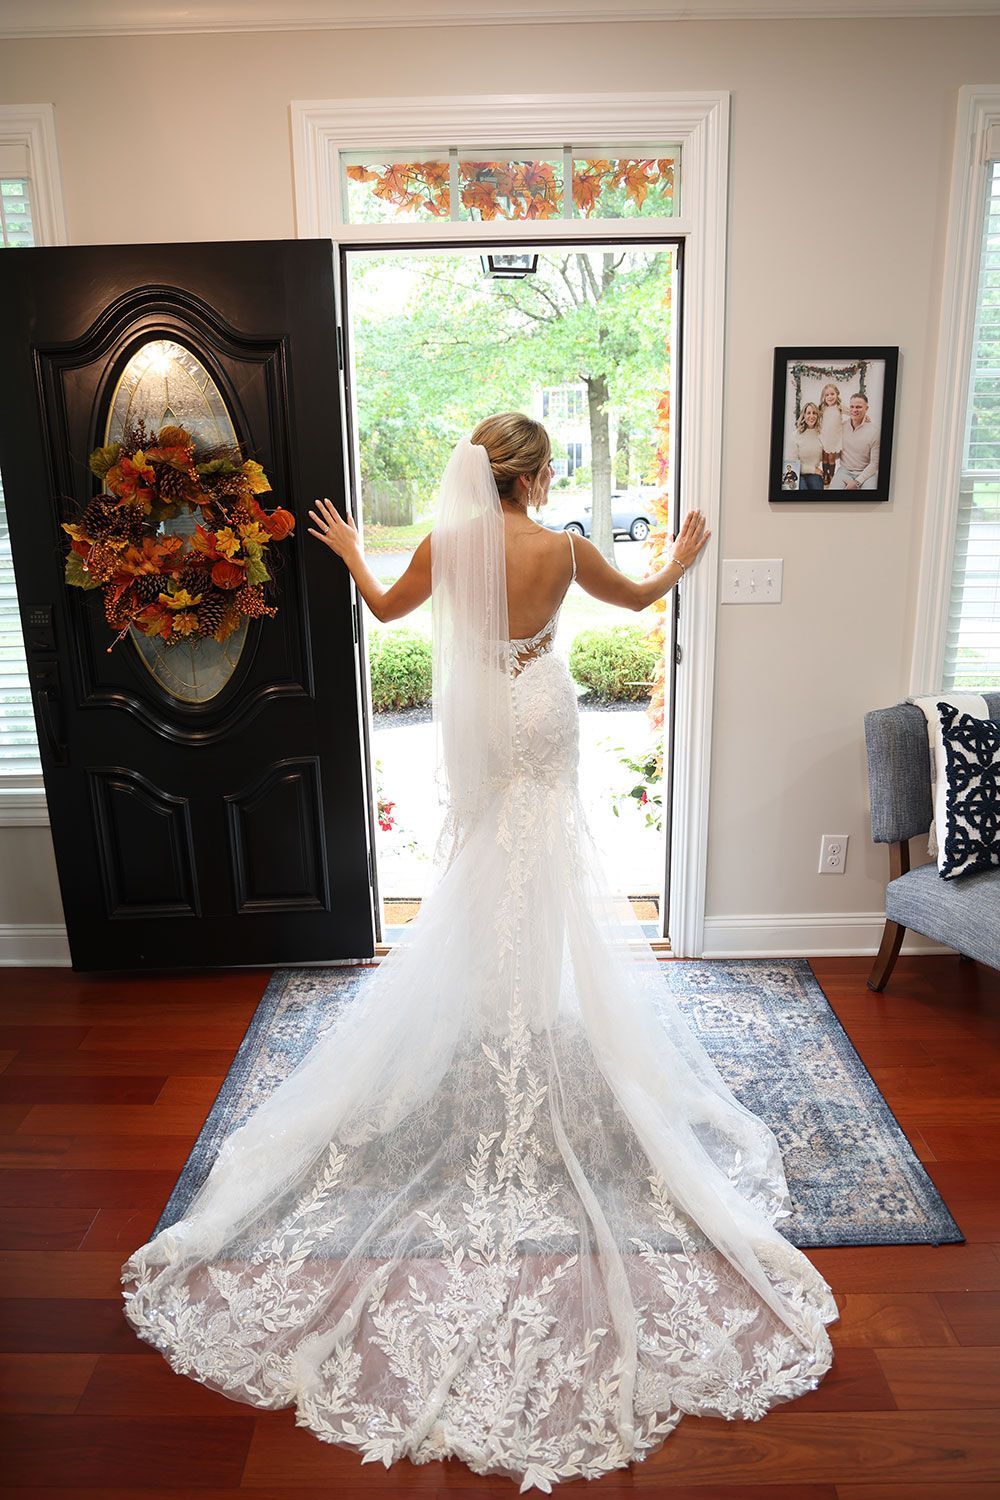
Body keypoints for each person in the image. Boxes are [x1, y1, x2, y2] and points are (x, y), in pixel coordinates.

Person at [120, 413, 836, 1491]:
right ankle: (533, 1006)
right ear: (535, 476)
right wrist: (680, 560)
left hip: (481, 720)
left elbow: (385, 609)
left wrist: (351, 548)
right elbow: (638, 600)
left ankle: (490, 1008)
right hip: (541, 712)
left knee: (486, 860)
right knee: (543, 860)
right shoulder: (563, 548)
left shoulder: (446, 545)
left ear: (474, 474)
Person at [827, 391, 880, 490]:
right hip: (845, 471)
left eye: (858, 407)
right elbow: (838, 454)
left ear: (866, 408)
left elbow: (874, 464)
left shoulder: (874, 432)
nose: (854, 410)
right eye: (852, 406)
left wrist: (857, 482)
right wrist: (831, 452)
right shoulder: (842, 427)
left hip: (866, 473)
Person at [791, 401, 825, 491]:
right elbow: (793, 464)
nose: (811, 416)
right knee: (802, 488)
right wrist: (813, 470)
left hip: (813, 474)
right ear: (804, 415)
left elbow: (829, 453)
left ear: (817, 416)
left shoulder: (821, 434)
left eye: (814, 413)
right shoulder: (796, 435)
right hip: (797, 473)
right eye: (808, 413)